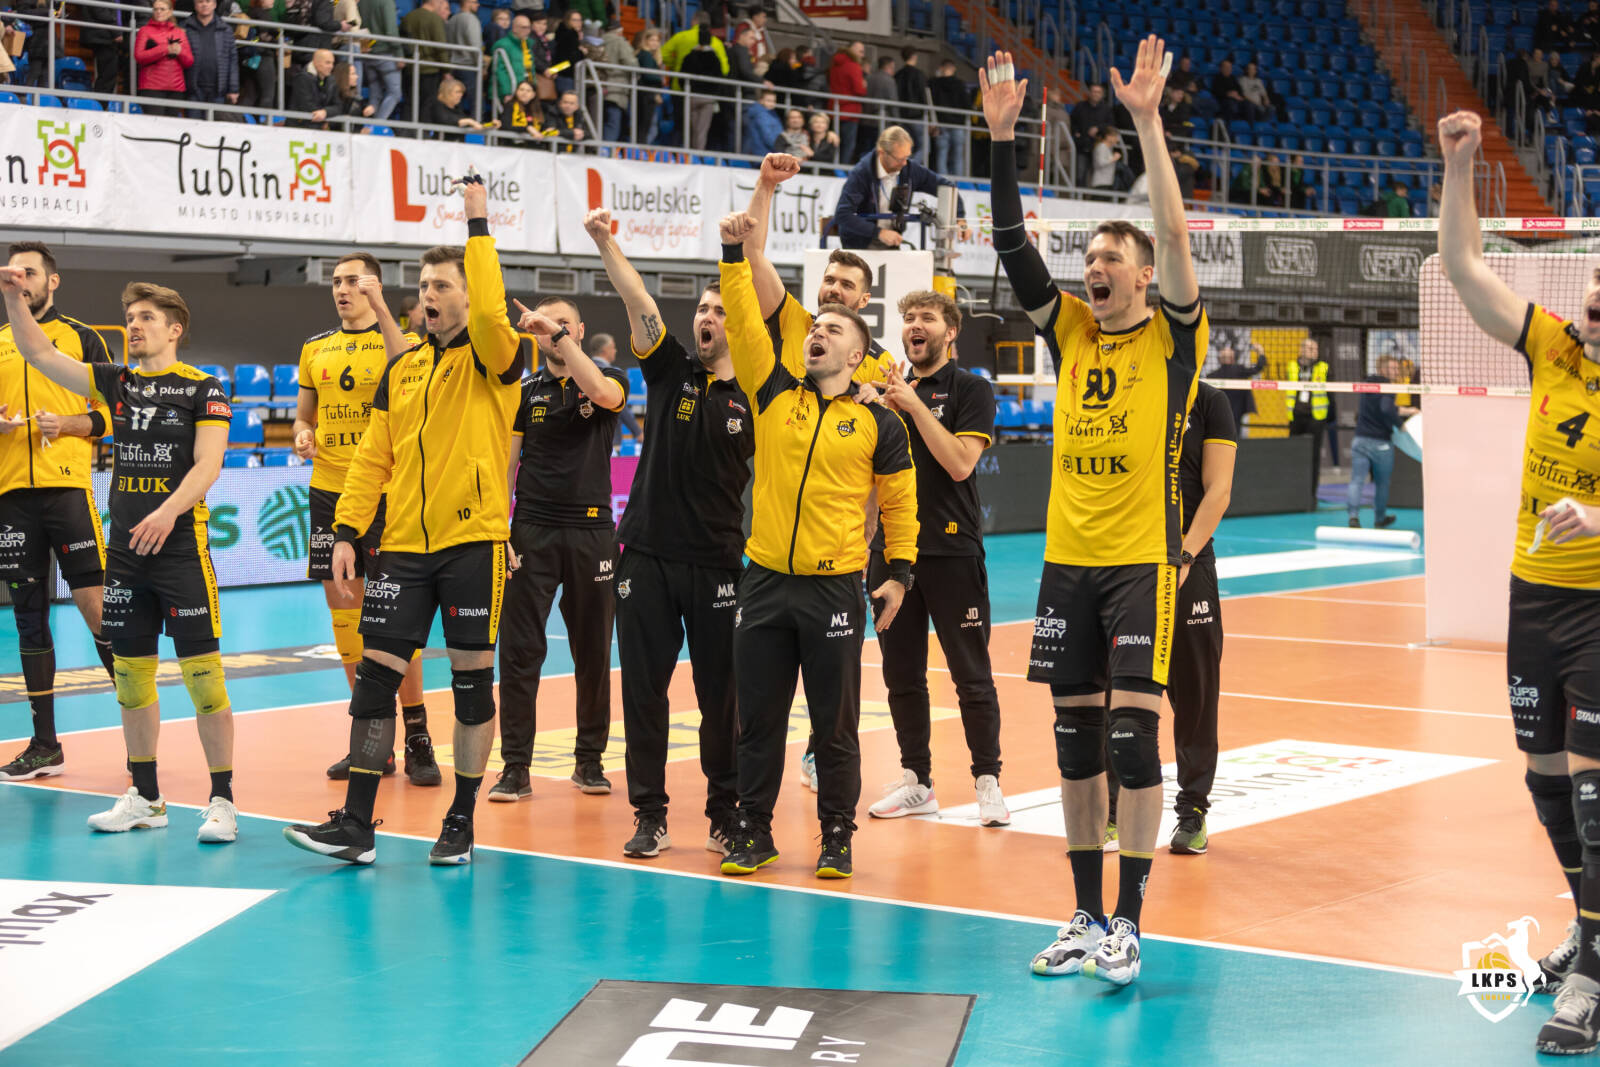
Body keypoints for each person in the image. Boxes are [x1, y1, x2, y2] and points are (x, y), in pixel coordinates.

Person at [984, 41, 1205, 988]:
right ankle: (1083, 913)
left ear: (1145, 276)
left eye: (1112, 257)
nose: (1094, 267)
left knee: (1130, 739)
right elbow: (1011, 246)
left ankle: (1129, 922)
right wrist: (1002, 142)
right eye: (1090, 258)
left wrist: (1147, 124)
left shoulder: (1173, 338)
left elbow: (1176, 235)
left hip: (1142, 562)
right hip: (1065, 562)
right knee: (1075, 744)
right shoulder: (1071, 330)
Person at [284, 176, 523, 867]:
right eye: (423, 285)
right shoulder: (405, 367)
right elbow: (372, 458)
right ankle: (357, 825)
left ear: (470, 297)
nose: (428, 294)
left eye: (442, 285)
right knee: (374, 679)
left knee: (473, 685)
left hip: (473, 543)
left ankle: (461, 820)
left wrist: (477, 226)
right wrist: (346, 532)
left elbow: (493, 313)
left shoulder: (496, 357)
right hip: (404, 548)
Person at [1438, 107, 1600, 1054]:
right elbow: (1464, 266)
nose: (1594, 302)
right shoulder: (1553, 348)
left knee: (1592, 786)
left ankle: (1593, 977)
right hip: (1533, 595)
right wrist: (1461, 166)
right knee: (1545, 779)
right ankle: (1591, 925)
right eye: (1593, 289)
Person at [715, 197, 919, 880]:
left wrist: (899, 574)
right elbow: (745, 319)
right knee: (758, 721)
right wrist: (732, 254)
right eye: (814, 327)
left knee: (834, 726)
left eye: (832, 328)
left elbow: (901, 504)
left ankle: (837, 835)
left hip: (833, 587)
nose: (816, 332)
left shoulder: (879, 422)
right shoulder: (772, 389)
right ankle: (753, 831)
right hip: (765, 581)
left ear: (857, 354)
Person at [0, 271, 240, 844]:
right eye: (130, 318)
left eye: (146, 318)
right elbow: (37, 351)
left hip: (181, 551)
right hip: (127, 556)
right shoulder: (116, 382)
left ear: (174, 329)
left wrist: (168, 512)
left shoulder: (203, 388)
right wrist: (12, 296)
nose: (134, 326)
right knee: (131, 681)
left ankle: (223, 802)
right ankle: (146, 798)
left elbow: (208, 464)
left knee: (205, 681)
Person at [575, 210, 754, 859]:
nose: (708, 317)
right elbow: (640, 301)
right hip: (645, 557)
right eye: (703, 308)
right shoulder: (670, 368)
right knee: (643, 692)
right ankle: (650, 813)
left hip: (717, 563)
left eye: (720, 311)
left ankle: (724, 811)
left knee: (720, 698)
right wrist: (605, 242)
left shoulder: (757, 394)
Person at [862, 290, 1009, 827]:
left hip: (951, 550)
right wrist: (865, 541)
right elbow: (874, 477)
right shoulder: (888, 395)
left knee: (971, 675)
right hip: (891, 554)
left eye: (926, 317)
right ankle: (916, 782)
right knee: (901, 674)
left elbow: (960, 463)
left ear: (951, 332)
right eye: (908, 318)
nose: (914, 325)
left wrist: (911, 404)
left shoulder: (971, 389)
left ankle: (988, 782)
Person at [293, 251, 436, 786]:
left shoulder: (406, 343)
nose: (341, 289)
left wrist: (382, 312)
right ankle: (373, 738)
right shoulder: (314, 348)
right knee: (346, 620)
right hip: (330, 492)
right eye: (336, 281)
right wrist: (303, 433)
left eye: (353, 280)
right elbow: (304, 414)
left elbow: (412, 384)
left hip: (387, 492)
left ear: (373, 285)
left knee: (396, 620)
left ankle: (418, 734)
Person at [489, 295, 626, 803]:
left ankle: (589, 761)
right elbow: (507, 464)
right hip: (532, 530)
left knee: (592, 652)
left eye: (563, 323)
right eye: (545, 325)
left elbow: (603, 395)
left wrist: (560, 337)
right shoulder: (525, 391)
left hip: (593, 533)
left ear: (580, 330)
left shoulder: (609, 377)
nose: (553, 330)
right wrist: (499, 528)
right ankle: (515, 767)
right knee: (520, 652)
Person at [0, 243, 116, 782]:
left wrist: (69, 425)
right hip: (11, 498)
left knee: (97, 609)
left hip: (67, 492)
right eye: (14, 272)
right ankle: (44, 745)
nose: (21, 280)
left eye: (31, 272)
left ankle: (139, 728)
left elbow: (114, 415)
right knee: (29, 619)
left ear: (53, 281)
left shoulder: (82, 338)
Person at [1105, 381, 1236, 855]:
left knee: (1196, 693)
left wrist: (1184, 555)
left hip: (1188, 562)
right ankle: (1114, 812)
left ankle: (1193, 811)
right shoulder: (1129, 393)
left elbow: (1218, 490)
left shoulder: (1210, 401)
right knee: (1119, 691)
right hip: (1129, 561)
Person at [831, 126, 966, 251]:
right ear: (882, 153)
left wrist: (960, 218)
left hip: (892, 242)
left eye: (907, 157)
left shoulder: (909, 169)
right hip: (860, 244)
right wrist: (879, 233)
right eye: (900, 159)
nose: (904, 163)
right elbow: (843, 214)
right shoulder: (862, 173)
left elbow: (947, 187)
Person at [1345, 357, 1417, 530]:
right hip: (1380, 444)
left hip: (1360, 440)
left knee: (1356, 480)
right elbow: (1386, 408)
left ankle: (1353, 517)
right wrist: (1400, 425)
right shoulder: (1387, 386)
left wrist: (1408, 410)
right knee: (1382, 483)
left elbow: (1382, 406)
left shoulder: (1367, 384)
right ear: (1383, 369)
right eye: (1393, 368)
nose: (1397, 371)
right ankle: (1380, 518)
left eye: (1397, 368)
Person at [1288, 337, 1330, 506]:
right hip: (1296, 417)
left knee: (1314, 458)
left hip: (1316, 418)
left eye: (1315, 349)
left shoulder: (1323, 367)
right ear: (1302, 350)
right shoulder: (1292, 366)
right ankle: (1293, 494)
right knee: (1294, 456)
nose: (1314, 352)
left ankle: (1312, 496)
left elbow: (1331, 394)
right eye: (1310, 348)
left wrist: (1329, 417)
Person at [135, 0, 194, 116]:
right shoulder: (144, 31)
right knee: (154, 124)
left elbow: (189, 61)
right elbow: (139, 56)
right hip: (151, 86)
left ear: (170, 12)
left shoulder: (179, 32)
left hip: (175, 87)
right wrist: (165, 49)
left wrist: (179, 52)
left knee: (170, 125)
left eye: (162, 9)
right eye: (156, 9)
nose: (158, 12)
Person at [183, 0, 239, 115]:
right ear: (195, 5)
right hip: (192, 89)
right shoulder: (184, 28)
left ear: (214, 5)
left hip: (218, 90)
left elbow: (232, 60)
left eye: (208, 1)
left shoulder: (225, 29)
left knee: (215, 126)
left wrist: (233, 89)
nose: (204, 4)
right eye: (200, 1)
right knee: (193, 124)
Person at [400, 0, 450, 124]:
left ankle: (405, 131)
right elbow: (440, 47)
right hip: (429, 68)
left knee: (409, 103)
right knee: (427, 105)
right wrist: (447, 70)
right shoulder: (435, 19)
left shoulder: (408, 17)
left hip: (410, 68)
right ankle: (424, 132)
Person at [359, 0, 403, 121]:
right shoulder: (387, 2)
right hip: (385, 54)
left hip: (368, 53)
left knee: (375, 95)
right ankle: (377, 124)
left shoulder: (362, 2)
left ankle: (368, 124)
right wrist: (399, 53)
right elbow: (391, 31)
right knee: (395, 93)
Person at [1210, 341, 1266, 431]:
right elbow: (1258, 368)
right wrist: (1261, 352)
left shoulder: (1212, 376)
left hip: (1219, 412)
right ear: (1233, 358)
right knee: (1235, 435)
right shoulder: (1240, 370)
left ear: (1219, 359)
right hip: (1236, 412)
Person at [598, 17, 637, 144]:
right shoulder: (620, 42)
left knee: (600, 120)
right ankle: (607, 150)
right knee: (613, 122)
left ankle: (598, 147)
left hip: (598, 85)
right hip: (616, 88)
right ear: (620, 31)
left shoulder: (597, 41)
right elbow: (631, 63)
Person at [928, 58, 970, 177]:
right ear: (954, 69)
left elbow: (930, 102)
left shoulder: (934, 83)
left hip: (941, 123)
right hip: (958, 124)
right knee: (958, 156)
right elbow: (967, 104)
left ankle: (943, 181)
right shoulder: (960, 84)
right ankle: (959, 182)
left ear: (941, 68)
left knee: (942, 154)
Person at [828, 40, 867, 165]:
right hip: (850, 110)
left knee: (834, 143)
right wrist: (864, 86)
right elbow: (859, 90)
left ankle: (831, 169)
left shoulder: (834, 65)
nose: (862, 55)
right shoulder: (853, 66)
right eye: (860, 51)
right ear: (852, 50)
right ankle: (841, 171)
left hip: (834, 108)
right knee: (848, 145)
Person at [446, 0, 483, 118]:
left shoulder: (452, 19)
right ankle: (476, 126)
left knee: (456, 101)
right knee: (475, 102)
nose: (478, 5)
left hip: (453, 65)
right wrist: (481, 64)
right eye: (475, 2)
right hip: (469, 66)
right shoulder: (471, 19)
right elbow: (475, 45)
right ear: (467, 2)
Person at [288, 48, 341, 128]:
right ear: (316, 62)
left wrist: (325, 112)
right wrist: (326, 113)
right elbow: (307, 106)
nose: (331, 66)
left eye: (332, 63)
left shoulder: (331, 80)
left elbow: (338, 106)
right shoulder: (302, 79)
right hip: (299, 128)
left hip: (318, 128)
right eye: (327, 63)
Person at [895, 47, 930, 164]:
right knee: (924, 148)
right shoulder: (919, 74)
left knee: (907, 148)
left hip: (902, 115)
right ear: (914, 56)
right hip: (917, 115)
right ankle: (908, 167)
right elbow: (923, 95)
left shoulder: (898, 75)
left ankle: (905, 167)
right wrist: (928, 115)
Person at [423, 75, 489, 138]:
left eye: (462, 92)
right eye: (457, 92)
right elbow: (445, 120)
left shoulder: (457, 109)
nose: (460, 95)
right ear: (447, 92)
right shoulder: (435, 104)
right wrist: (469, 121)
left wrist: (490, 124)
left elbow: (472, 124)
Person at [635, 26, 666, 144]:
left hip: (646, 93)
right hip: (646, 94)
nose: (655, 43)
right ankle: (640, 149)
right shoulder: (646, 55)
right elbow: (648, 75)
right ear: (646, 40)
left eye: (657, 40)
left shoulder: (648, 55)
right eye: (652, 40)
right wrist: (660, 81)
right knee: (645, 124)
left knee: (646, 125)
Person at [863, 55, 898, 151]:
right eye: (893, 68)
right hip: (882, 120)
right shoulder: (889, 81)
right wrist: (897, 121)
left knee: (866, 149)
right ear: (888, 66)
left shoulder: (868, 78)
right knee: (880, 149)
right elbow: (893, 102)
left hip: (866, 119)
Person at [743, 86, 786, 155]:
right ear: (761, 100)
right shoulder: (761, 115)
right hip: (763, 153)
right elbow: (767, 137)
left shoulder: (771, 113)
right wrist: (780, 148)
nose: (772, 103)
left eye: (774, 101)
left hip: (771, 151)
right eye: (769, 101)